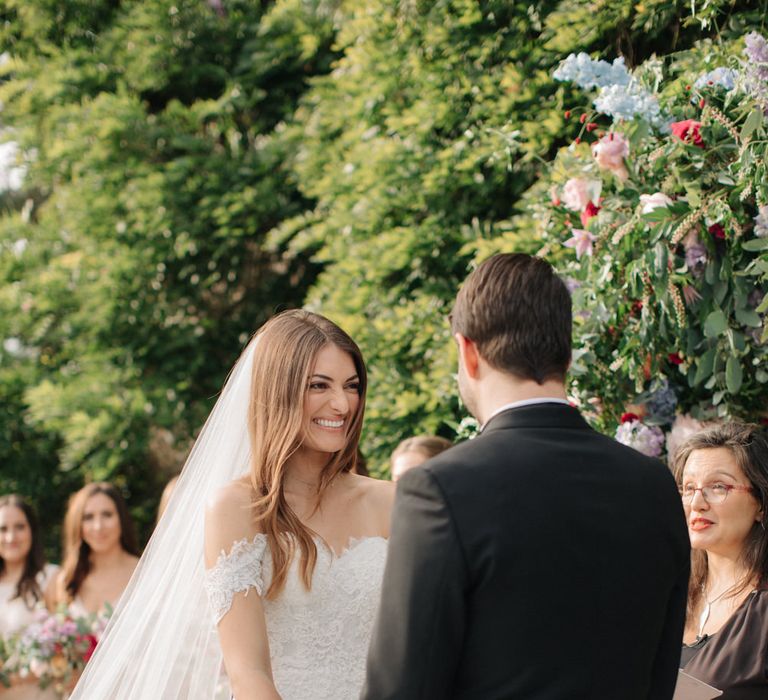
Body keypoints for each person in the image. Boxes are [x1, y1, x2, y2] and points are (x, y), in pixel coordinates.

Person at [362, 253, 691, 700]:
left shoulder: (440, 490)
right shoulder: (653, 484)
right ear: (567, 354)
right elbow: (660, 673)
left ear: (468, 351)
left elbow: (403, 689)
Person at [68, 310, 394, 700]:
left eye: (352, 386)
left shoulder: (390, 500)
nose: (342, 404)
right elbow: (247, 671)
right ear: (278, 391)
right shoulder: (235, 508)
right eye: (319, 386)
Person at [673, 422, 768, 698]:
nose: (697, 503)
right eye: (689, 488)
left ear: (760, 504)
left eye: (718, 486)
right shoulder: (668, 592)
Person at [0, 495, 59, 700]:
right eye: (3, 529)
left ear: (32, 530)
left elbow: (63, 649)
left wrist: (9, 677)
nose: (11, 537)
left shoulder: (51, 578)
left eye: (19, 527)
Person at [52, 482, 140, 616]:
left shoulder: (142, 573)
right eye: (88, 517)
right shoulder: (67, 579)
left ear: (121, 518)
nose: (98, 526)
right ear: (77, 525)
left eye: (107, 515)